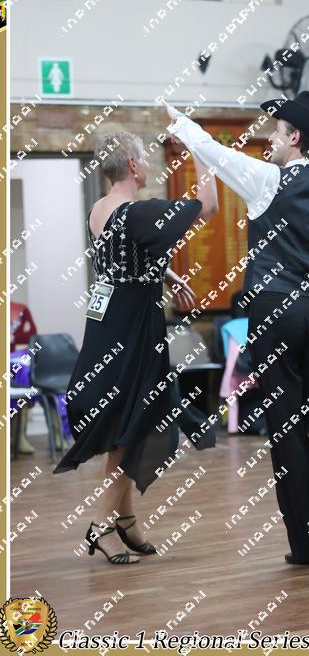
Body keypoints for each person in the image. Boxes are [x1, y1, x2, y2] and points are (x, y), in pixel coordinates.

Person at [165, 91, 309, 572]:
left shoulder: (267, 179)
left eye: (277, 131)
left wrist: (178, 120)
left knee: (287, 428)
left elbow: (213, 153)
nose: (270, 138)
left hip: (273, 313)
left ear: (295, 137)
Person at [53, 130, 218, 564]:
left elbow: (122, 255)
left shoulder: (99, 209)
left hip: (107, 327)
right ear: (132, 165)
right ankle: (100, 525)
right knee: (131, 425)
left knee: (126, 422)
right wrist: (201, 149)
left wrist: (166, 274)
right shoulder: (138, 212)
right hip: (133, 332)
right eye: (144, 157)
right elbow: (209, 205)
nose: (147, 164)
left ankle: (124, 519)